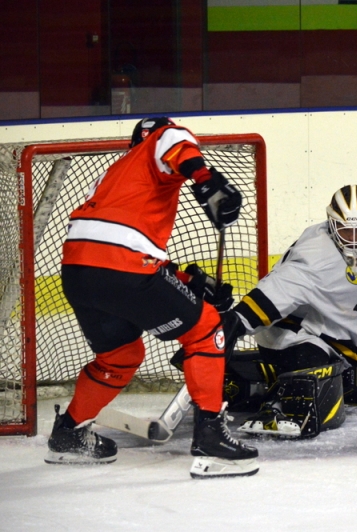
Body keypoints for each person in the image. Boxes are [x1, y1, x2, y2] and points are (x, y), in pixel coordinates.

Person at [46, 117, 259, 479]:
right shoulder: (161, 140)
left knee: (120, 356)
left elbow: (117, 242)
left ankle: (68, 434)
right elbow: (175, 141)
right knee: (207, 328)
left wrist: (182, 278)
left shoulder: (116, 174)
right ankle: (210, 439)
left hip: (78, 269)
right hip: (124, 265)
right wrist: (205, 179)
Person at [219, 184, 357, 439]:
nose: (353, 239)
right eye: (345, 230)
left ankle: (263, 374)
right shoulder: (314, 257)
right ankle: (276, 405)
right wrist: (234, 323)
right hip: (292, 330)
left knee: (350, 382)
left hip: (332, 328)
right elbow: (273, 294)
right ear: (331, 224)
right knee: (314, 374)